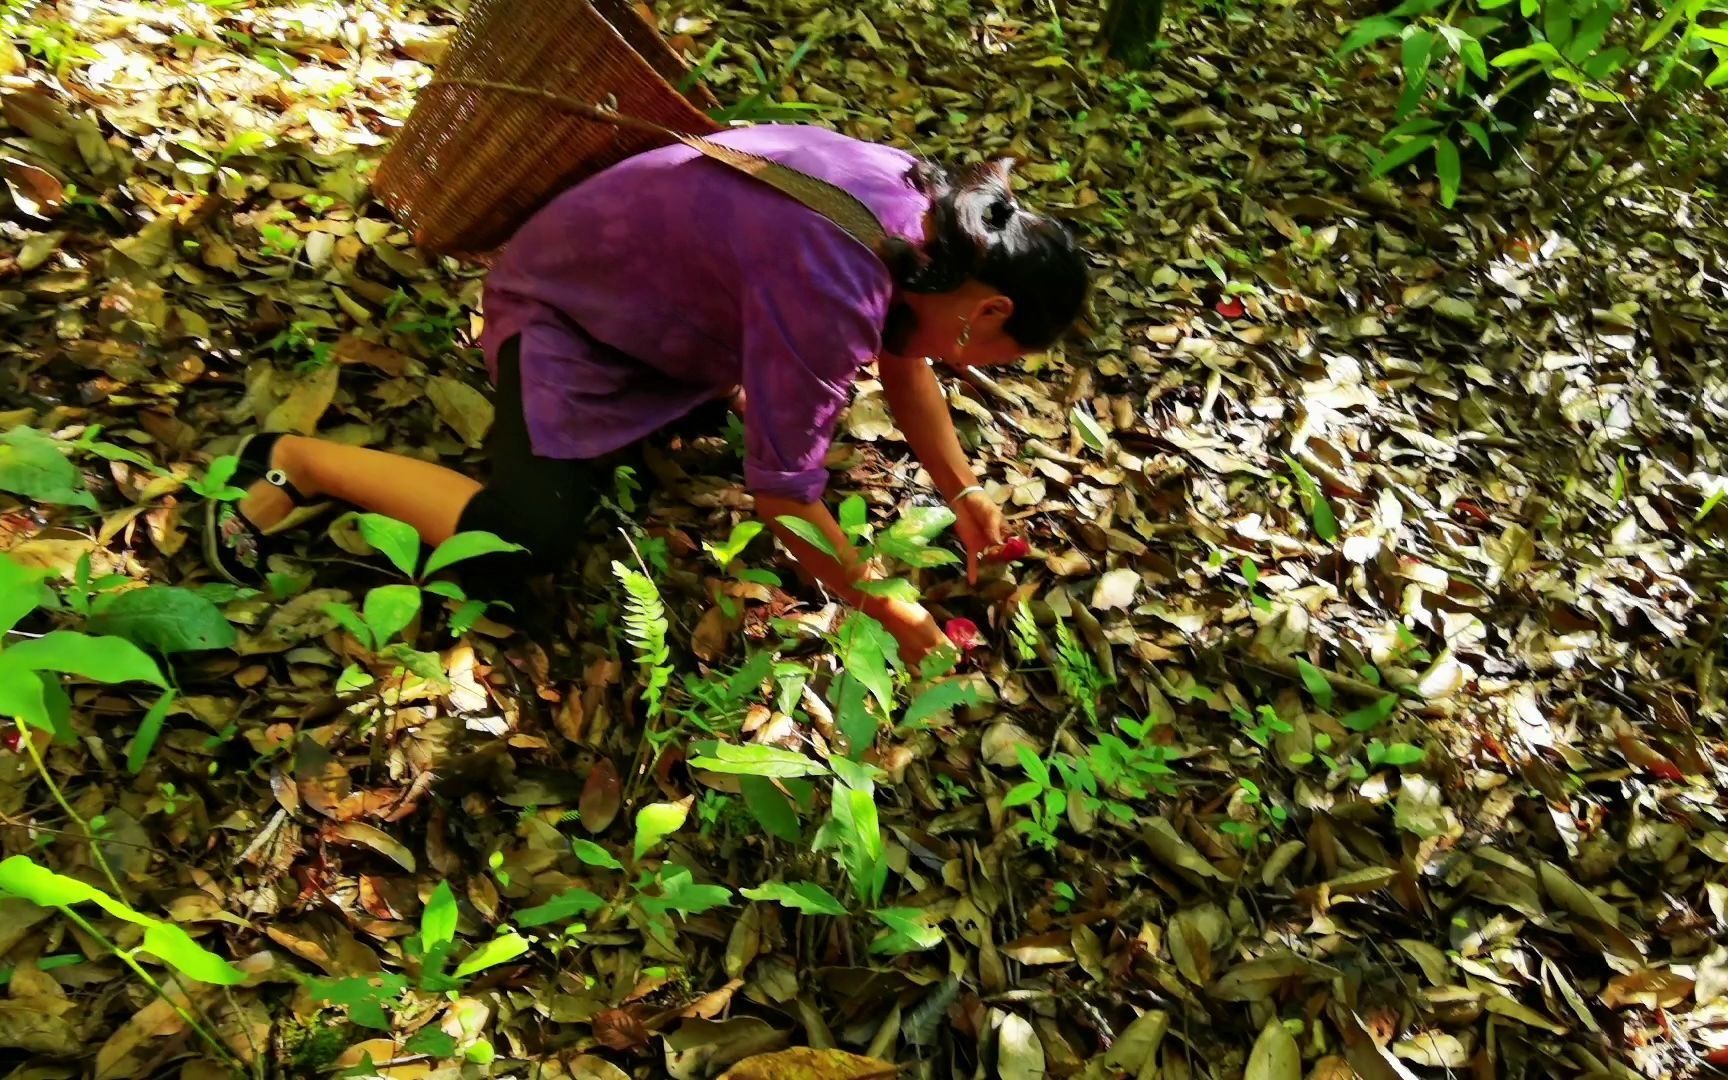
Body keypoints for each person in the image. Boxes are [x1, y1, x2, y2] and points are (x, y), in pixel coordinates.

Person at [205, 124, 1088, 662]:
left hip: (655, 311)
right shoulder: (838, 287)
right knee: (521, 543)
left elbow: (906, 356)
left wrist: (962, 493)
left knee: (733, 424)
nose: (970, 366)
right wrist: (899, 616)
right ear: (989, 312)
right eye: (990, 354)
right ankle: (296, 460)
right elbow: (781, 496)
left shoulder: (922, 210)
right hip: (569, 316)